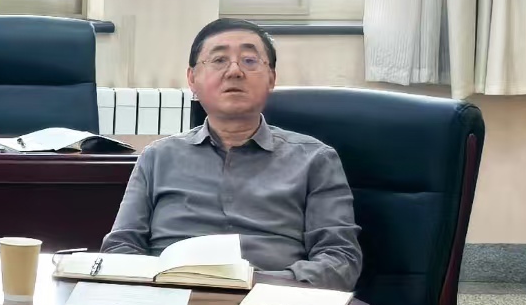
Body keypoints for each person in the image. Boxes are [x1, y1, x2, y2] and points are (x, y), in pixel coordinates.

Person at [100, 17, 361, 290]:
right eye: (219, 60)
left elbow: (340, 260)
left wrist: (256, 284)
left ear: (271, 78)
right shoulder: (157, 157)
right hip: (170, 299)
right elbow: (120, 247)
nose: (234, 71)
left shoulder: (315, 159)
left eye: (249, 60)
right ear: (192, 79)